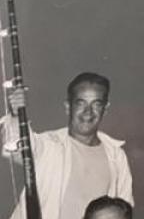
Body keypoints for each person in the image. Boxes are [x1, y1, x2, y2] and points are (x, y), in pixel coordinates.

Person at [0, 72, 133, 219]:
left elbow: (125, 209)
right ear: (68, 107)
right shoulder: (48, 144)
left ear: (105, 109)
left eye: (96, 104)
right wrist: (16, 114)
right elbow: (16, 147)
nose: (88, 112)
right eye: (80, 103)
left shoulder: (116, 155)